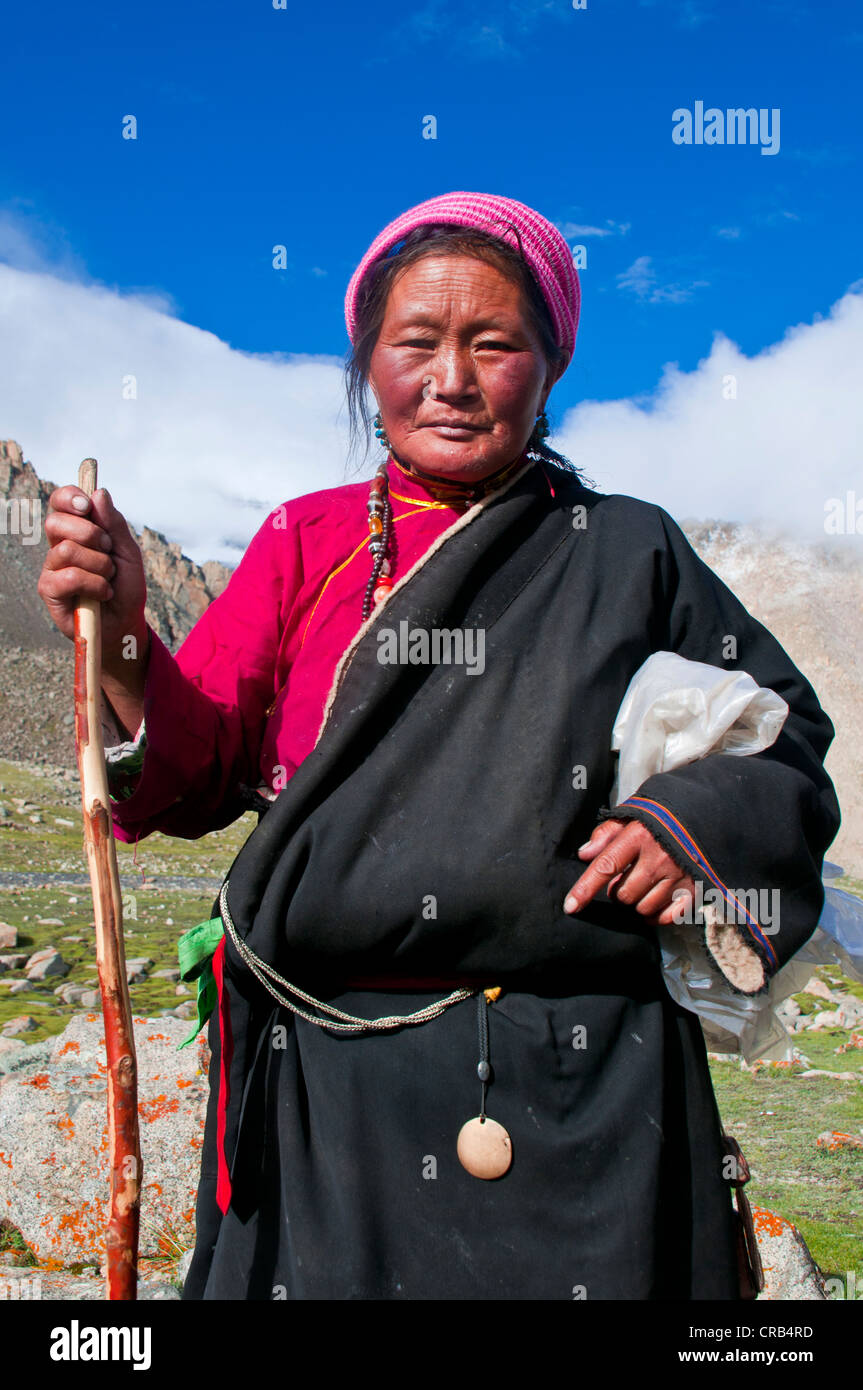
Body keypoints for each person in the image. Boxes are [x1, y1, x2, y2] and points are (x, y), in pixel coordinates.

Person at [38, 191, 840, 1301]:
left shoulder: (624, 549)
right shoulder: (302, 545)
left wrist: (684, 824)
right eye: (415, 342)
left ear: (548, 366)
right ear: (368, 363)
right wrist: (126, 635)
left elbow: (783, 736)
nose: (450, 378)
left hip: (585, 1083)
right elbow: (191, 775)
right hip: (326, 1089)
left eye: (492, 343)